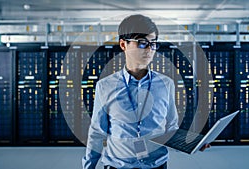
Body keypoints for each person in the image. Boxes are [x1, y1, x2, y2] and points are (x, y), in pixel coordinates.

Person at [82, 14, 208, 169]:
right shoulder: (105, 86)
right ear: (123, 44)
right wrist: (89, 167)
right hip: (118, 166)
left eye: (153, 44)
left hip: (156, 165)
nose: (149, 49)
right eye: (142, 43)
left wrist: (192, 143)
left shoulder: (166, 84)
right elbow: (97, 132)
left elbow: (171, 128)